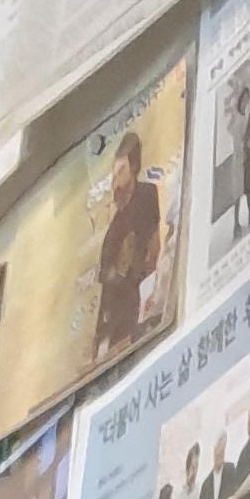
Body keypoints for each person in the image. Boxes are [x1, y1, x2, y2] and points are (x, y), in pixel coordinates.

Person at [95, 130, 163, 358]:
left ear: (133, 167)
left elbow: (153, 239)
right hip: (121, 306)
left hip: (146, 287)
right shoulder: (115, 227)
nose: (116, 179)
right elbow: (106, 277)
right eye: (114, 173)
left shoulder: (147, 194)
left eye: (121, 170)